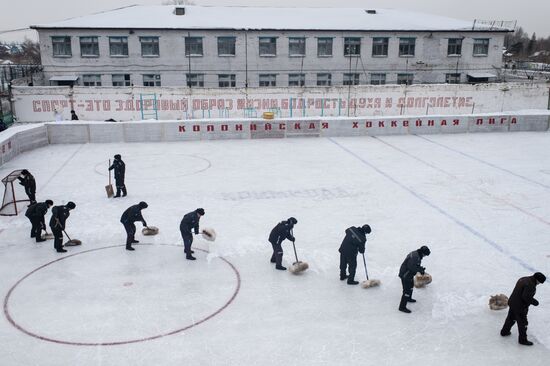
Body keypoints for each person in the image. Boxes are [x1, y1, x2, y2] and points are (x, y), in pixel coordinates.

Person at [500, 272, 546, 346]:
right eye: (540, 282)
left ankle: (504, 332)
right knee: (523, 323)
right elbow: (526, 297)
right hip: (520, 306)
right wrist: (535, 302)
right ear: (537, 280)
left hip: (512, 302)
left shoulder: (524, 279)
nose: (539, 284)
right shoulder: (530, 285)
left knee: (510, 318)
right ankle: (522, 340)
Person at [398, 245, 431, 313]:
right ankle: (402, 307)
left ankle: (409, 298)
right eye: (425, 255)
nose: (424, 257)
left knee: (411, 286)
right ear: (423, 253)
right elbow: (411, 267)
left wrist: (420, 268)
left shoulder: (417, 254)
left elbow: (414, 265)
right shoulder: (415, 257)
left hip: (408, 274)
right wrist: (420, 270)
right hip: (405, 275)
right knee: (406, 291)